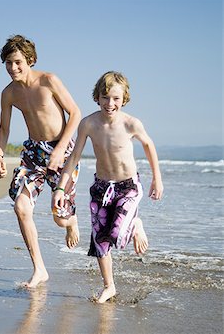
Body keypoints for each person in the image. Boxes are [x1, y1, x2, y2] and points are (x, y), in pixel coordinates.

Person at [52, 71, 164, 303]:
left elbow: (149, 145)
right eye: (105, 97)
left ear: (124, 99)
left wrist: (157, 179)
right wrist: (61, 188)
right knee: (100, 241)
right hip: (101, 188)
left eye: (115, 98)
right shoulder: (89, 124)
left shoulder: (131, 123)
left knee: (117, 235)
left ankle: (135, 224)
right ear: (97, 97)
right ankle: (109, 286)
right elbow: (73, 157)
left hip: (128, 187)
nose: (110, 103)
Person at [0, 35, 82, 288]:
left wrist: (61, 147)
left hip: (62, 151)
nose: (13, 68)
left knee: (60, 218)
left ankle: (71, 221)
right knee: (21, 207)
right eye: (8, 63)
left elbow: (75, 113)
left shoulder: (48, 81)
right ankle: (39, 269)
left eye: (18, 62)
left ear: (30, 60)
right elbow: (3, 128)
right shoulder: (9, 93)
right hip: (34, 153)